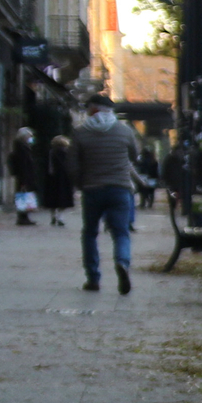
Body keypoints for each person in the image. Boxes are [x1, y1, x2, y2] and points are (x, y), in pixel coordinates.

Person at [71, 95, 140, 293]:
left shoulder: (80, 132)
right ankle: (123, 262)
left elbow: (72, 164)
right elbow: (134, 156)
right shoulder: (125, 131)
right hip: (119, 188)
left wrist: (79, 183)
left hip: (92, 189)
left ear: (92, 110)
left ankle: (93, 278)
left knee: (90, 233)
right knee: (121, 232)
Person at [8, 127, 39, 225]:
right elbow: (23, 164)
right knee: (23, 197)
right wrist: (24, 179)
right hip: (24, 177)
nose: (31, 138)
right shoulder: (21, 149)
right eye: (29, 136)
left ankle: (25, 217)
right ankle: (22, 218)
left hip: (25, 176)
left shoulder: (24, 147)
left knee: (25, 197)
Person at [44, 134, 75, 226]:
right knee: (63, 200)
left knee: (52, 199)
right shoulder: (68, 153)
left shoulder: (51, 152)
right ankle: (60, 217)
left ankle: (53, 216)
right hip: (64, 178)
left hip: (52, 178)